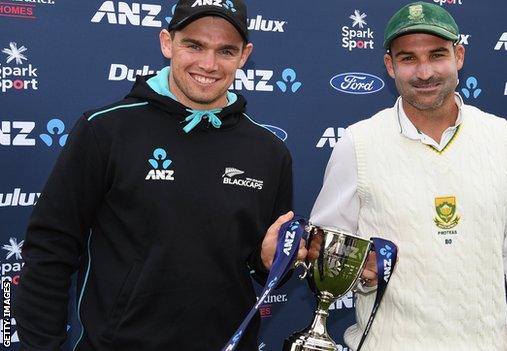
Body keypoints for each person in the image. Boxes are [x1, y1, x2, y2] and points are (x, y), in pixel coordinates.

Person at [14, 0, 306, 350]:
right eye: (194, 45)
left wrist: (272, 261)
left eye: (226, 50)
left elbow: (263, 268)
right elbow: (50, 251)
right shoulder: (105, 130)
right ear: (167, 43)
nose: (208, 64)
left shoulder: (269, 152)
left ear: (244, 55)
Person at [310, 2, 507, 350]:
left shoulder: (501, 138)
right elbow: (327, 257)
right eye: (408, 58)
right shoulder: (358, 143)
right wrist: (362, 276)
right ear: (390, 65)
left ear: (459, 56)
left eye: (437, 55)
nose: (424, 72)